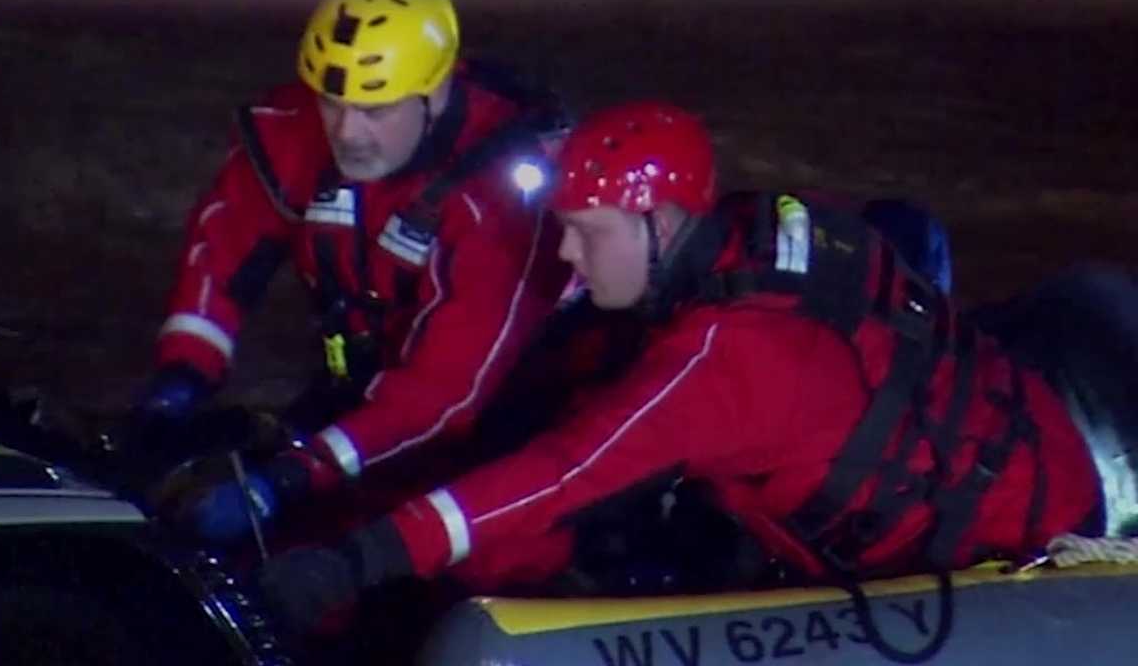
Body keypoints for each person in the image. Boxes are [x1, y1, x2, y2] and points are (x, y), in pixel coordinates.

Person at [254, 101, 1104, 637]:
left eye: (588, 231)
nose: (566, 253)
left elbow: (560, 473)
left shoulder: (722, 360)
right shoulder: (749, 231)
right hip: (1014, 454)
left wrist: (358, 559)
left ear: (658, 223)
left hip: (1014, 554)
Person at [129, 0, 572, 539]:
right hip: (359, 396)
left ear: (435, 94)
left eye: (374, 110)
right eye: (331, 102)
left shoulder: (498, 195)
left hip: (504, 430)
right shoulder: (297, 134)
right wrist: (182, 375)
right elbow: (221, 254)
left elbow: (445, 393)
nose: (346, 131)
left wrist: (291, 479)